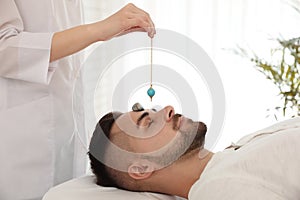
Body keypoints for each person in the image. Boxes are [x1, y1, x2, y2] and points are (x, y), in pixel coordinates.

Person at [0, 1, 155, 200]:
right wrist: (98, 30)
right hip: (23, 145)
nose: (167, 110)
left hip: (66, 127)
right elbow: (4, 48)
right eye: (145, 120)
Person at [89, 103, 300, 199]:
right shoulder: (216, 191)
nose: (168, 109)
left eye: (154, 110)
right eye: (149, 122)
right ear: (142, 168)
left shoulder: (231, 156)